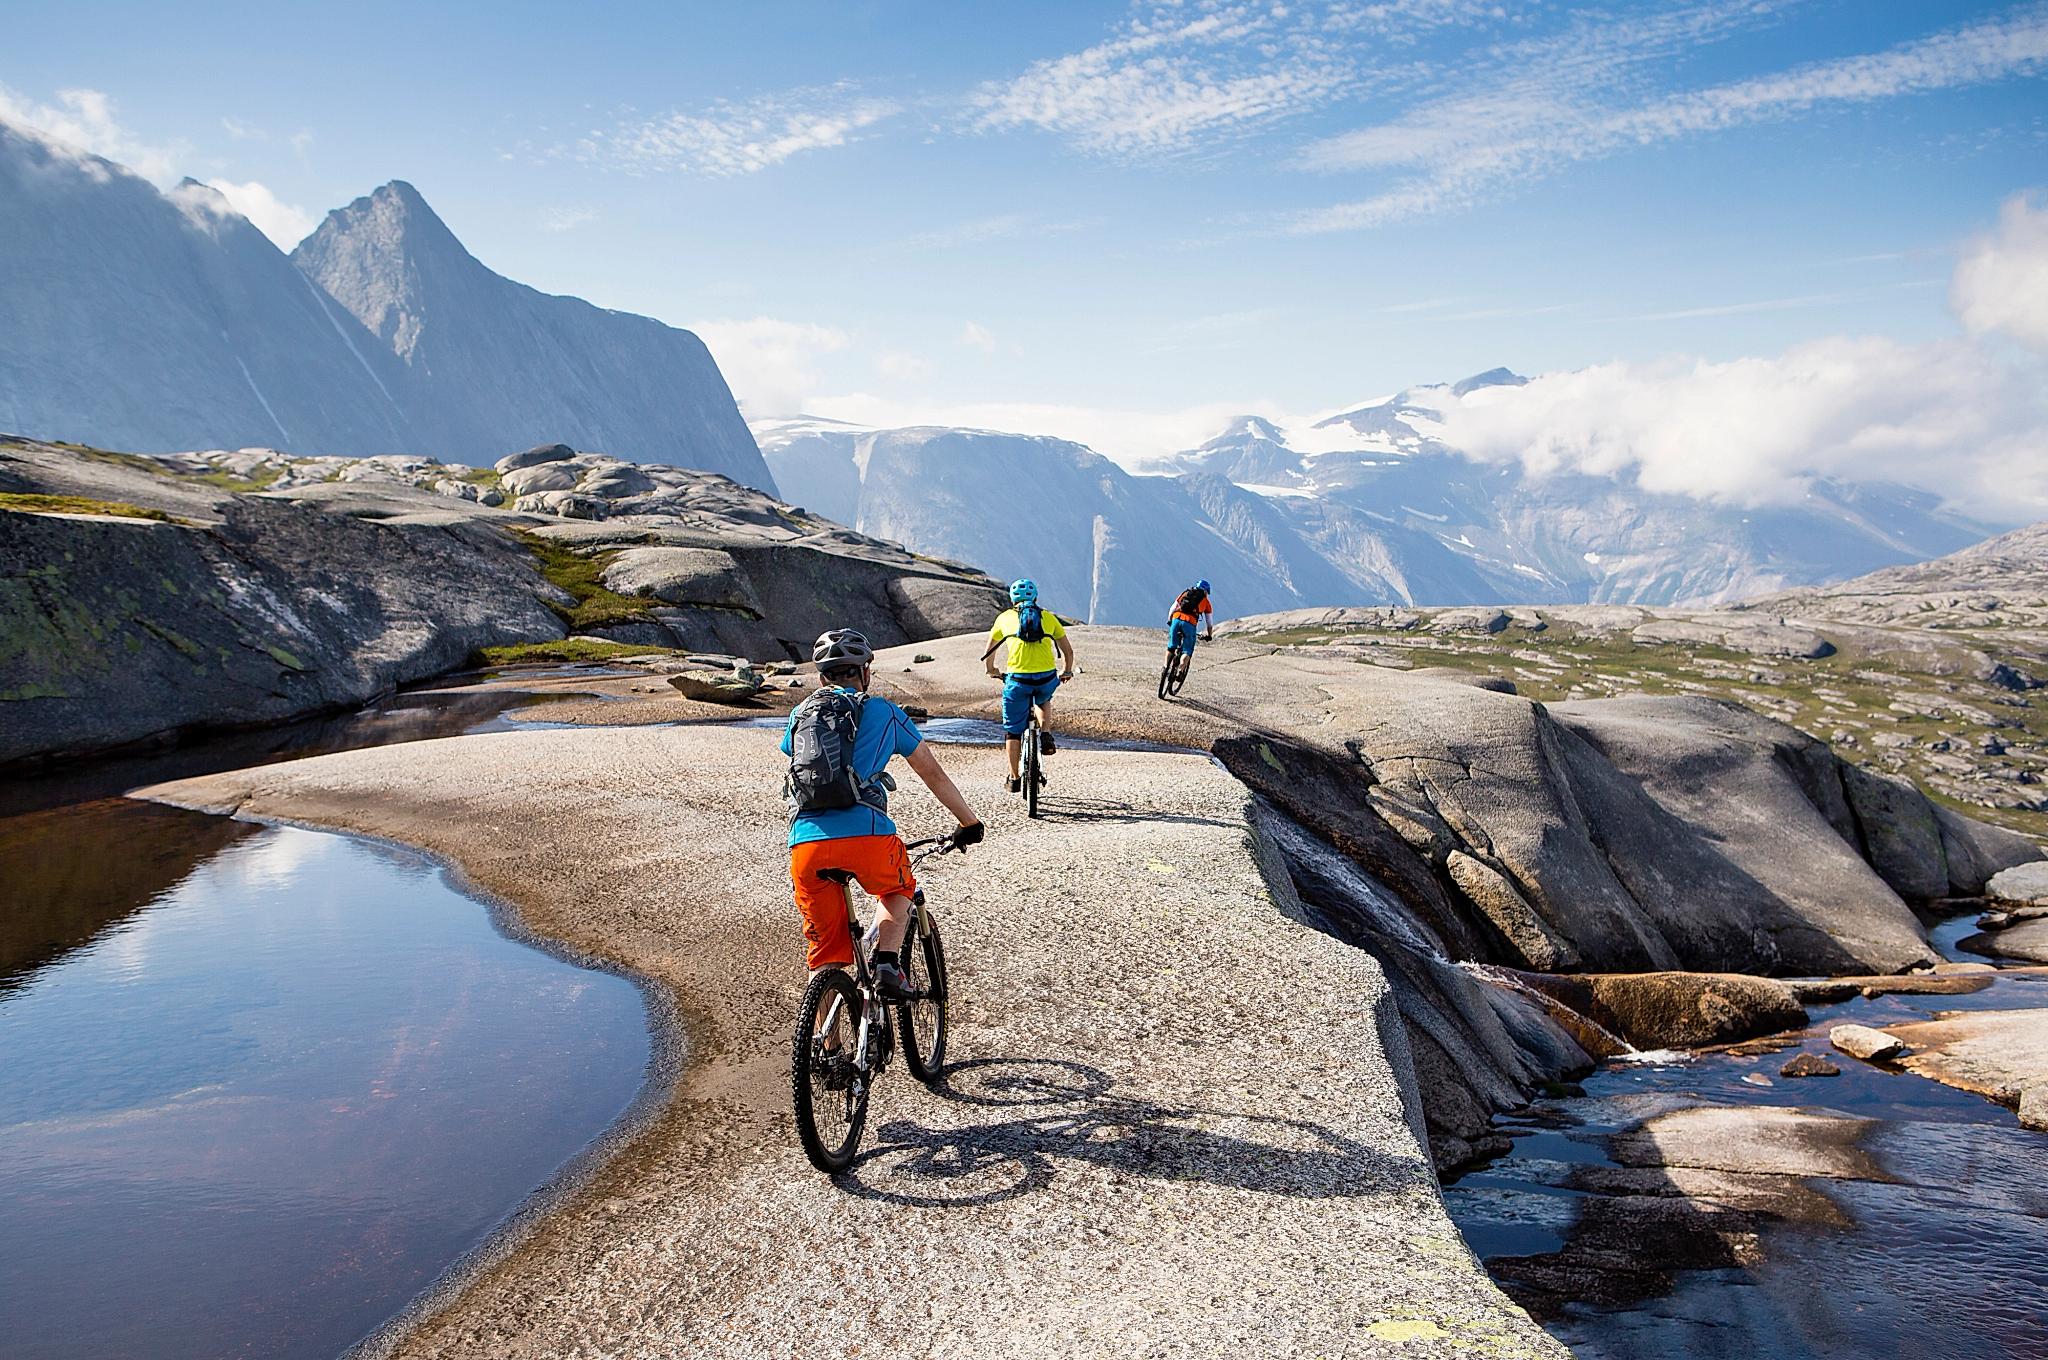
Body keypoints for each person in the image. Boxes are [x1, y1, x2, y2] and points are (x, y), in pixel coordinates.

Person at [783, 628, 982, 999]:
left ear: (822, 677)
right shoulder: (885, 713)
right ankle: (888, 964)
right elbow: (932, 773)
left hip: (806, 842)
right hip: (867, 836)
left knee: (825, 957)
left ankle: (832, 1051)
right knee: (898, 888)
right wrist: (968, 822)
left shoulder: (800, 714)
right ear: (866, 672)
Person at [982, 578, 1077, 793]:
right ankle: (1045, 732)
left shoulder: (1004, 618)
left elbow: (989, 652)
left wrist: (991, 670)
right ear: (1035, 597)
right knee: (1043, 698)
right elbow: (1068, 651)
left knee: (1013, 731)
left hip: (1017, 679)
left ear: (1012, 599)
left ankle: (1015, 778)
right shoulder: (1048, 617)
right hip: (1045, 678)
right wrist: (1067, 670)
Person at [1166, 579, 1214, 670]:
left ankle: (1165, 667)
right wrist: (1209, 635)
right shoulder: (1206, 602)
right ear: (1205, 591)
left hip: (1176, 618)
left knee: (1171, 647)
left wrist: (1170, 620)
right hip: (1189, 623)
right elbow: (1209, 623)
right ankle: (1180, 670)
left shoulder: (1185, 593)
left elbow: (1173, 607)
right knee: (1187, 650)